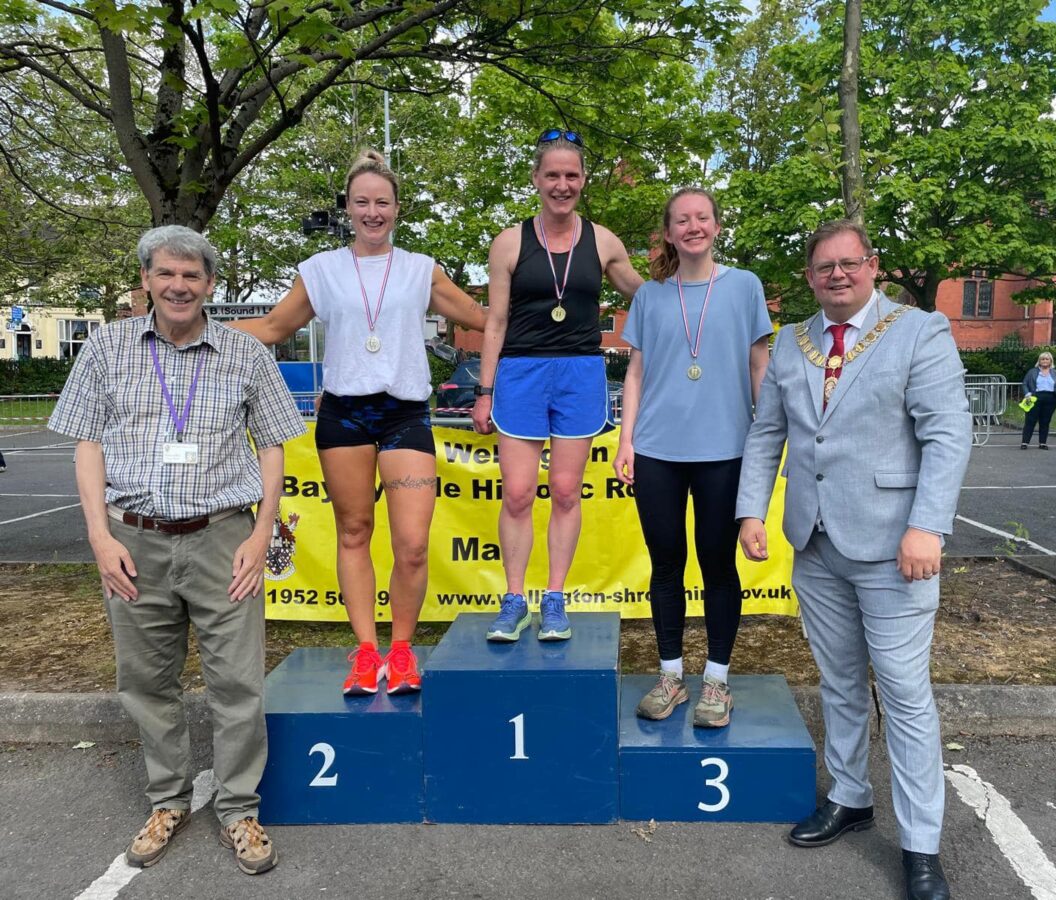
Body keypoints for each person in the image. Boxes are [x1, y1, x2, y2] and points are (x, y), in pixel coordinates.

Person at [48, 226, 306, 875]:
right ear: (147, 280)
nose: (179, 285)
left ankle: (239, 810)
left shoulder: (246, 356)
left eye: (192, 276)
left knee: (237, 683)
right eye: (167, 274)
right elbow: (87, 444)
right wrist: (100, 537)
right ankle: (167, 800)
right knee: (147, 682)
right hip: (133, 540)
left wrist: (260, 532)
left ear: (210, 285)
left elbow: (274, 443)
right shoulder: (106, 348)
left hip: (224, 538)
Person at [735, 219, 971, 900]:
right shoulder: (792, 341)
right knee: (838, 682)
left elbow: (948, 435)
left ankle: (921, 846)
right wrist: (753, 510)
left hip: (896, 546)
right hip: (814, 541)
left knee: (902, 693)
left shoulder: (919, 331)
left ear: (873, 265)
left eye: (849, 263)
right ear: (809, 277)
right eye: (823, 267)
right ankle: (849, 796)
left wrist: (928, 527)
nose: (837, 275)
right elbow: (767, 432)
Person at [233, 149, 487, 694]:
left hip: (403, 415)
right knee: (354, 532)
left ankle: (401, 651)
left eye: (383, 202)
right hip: (344, 415)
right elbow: (275, 326)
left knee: (413, 543)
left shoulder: (421, 269)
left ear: (398, 208)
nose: (373, 212)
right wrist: (195, 329)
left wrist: (549, 328)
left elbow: (485, 320)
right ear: (347, 207)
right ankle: (366, 651)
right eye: (362, 202)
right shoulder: (321, 270)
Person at [471, 128, 642, 642]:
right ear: (536, 180)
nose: (562, 184)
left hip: (580, 372)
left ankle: (555, 598)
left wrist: (689, 280)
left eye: (571, 175)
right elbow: (495, 321)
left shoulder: (604, 240)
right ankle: (514, 598)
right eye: (552, 175)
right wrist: (484, 390)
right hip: (521, 372)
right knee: (519, 494)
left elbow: (643, 291)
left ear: (583, 180)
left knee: (566, 492)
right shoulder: (509, 241)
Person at [612, 188, 771, 727]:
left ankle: (718, 683)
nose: (693, 226)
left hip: (725, 450)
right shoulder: (651, 295)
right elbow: (635, 372)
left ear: (717, 226)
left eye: (702, 217)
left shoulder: (745, 286)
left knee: (718, 565)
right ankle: (671, 675)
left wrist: (767, 437)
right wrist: (625, 438)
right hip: (657, 450)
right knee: (666, 565)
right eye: (682, 220)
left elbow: (758, 366)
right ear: (669, 232)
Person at [1020, 351, 1056, 449]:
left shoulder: (1055, 373)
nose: (1044, 361)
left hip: (1051, 398)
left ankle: (1042, 443)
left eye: (1047, 359)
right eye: (1042, 359)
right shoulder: (1032, 372)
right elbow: (1025, 383)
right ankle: (1025, 442)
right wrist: (1027, 393)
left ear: (1050, 361)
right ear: (1039, 361)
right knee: (1030, 420)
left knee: (1045, 421)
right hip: (1035, 397)